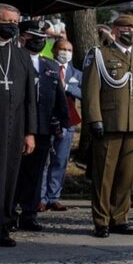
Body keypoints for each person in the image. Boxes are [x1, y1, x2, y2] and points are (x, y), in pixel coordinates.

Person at [82, 14, 133, 238]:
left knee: (127, 177)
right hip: (109, 123)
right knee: (105, 176)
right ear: (115, 31)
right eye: (127, 27)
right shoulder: (100, 54)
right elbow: (90, 91)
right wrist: (94, 119)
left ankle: (120, 218)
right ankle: (101, 221)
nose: (132, 31)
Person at [13, 21, 69, 231]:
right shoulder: (14, 61)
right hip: (17, 126)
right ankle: (9, 212)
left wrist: (62, 122)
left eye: (42, 37)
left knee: (35, 174)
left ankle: (29, 213)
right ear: (23, 37)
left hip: (43, 127)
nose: (39, 40)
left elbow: (59, 98)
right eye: (34, 36)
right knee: (14, 172)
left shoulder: (50, 65)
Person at [0, 4, 38, 247]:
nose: (13, 26)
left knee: (9, 177)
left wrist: (30, 132)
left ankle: (3, 226)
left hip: (14, 127)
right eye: (8, 21)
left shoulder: (22, 56)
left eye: (16, 22)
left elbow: (30, 99)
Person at [39, 39, 82, 212]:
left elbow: (84, 93)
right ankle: (40, 197)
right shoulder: (46, 67)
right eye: (63, 49)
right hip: (46, 120)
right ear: (55, 50)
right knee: (43, 161)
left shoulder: (76, 73)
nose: (66, 52)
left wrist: (68, 88)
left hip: (68, 122)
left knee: (60, 160)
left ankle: (54, 197)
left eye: (69, 50)